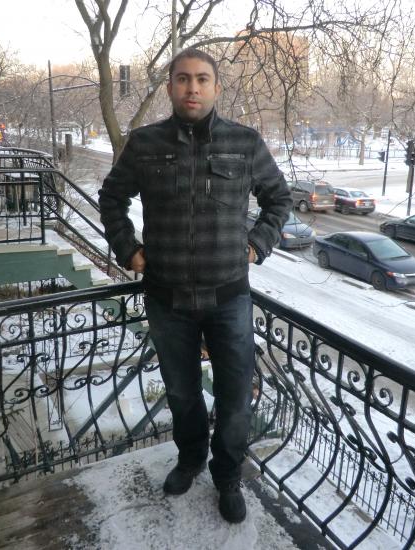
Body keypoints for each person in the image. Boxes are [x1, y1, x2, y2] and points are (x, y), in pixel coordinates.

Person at [98, 48, 292, 523]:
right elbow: (112, 197)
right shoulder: (145, 143)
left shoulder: (244, 143)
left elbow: (279, 199)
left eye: (202, 79)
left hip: (229, 298)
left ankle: (227, 476)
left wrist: (257, 245)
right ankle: (191, 460)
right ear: (170, 87)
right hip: (167, 300)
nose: (192, 88)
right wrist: (128, 249)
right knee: (182, 393)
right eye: (183, 79)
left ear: (216, 87)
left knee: (234, 398)